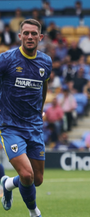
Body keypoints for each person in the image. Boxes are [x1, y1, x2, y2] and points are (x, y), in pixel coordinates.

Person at [0, 19, 52, 217]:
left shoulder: (46, 62)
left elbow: (43, 85)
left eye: (33, 34)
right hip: (10, 125)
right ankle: (34, 212)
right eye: (26, 33)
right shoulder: (6, 59)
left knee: (37, 179)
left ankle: (7, 183)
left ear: (41, 37)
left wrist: (40, 108)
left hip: (34, 126)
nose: (30, 37)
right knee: (27, 174)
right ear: (20, 36)